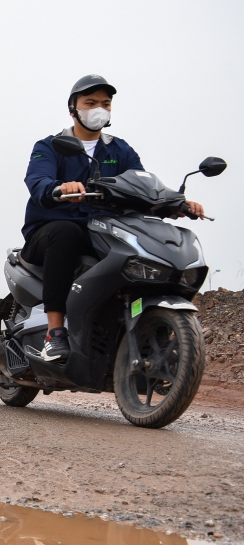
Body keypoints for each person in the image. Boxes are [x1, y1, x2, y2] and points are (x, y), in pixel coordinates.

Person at [20, 74, 205, 363]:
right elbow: (37, 181)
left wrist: (176, 204)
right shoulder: (51, 145)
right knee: (66, 232)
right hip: (50, 231)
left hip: (103, 229)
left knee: (145, 245)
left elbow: (143, 185)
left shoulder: (119, 149)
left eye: (105, 104)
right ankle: (54, 334)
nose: (99, 109)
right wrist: (59, 188)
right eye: (90, 102)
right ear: (73, 108)